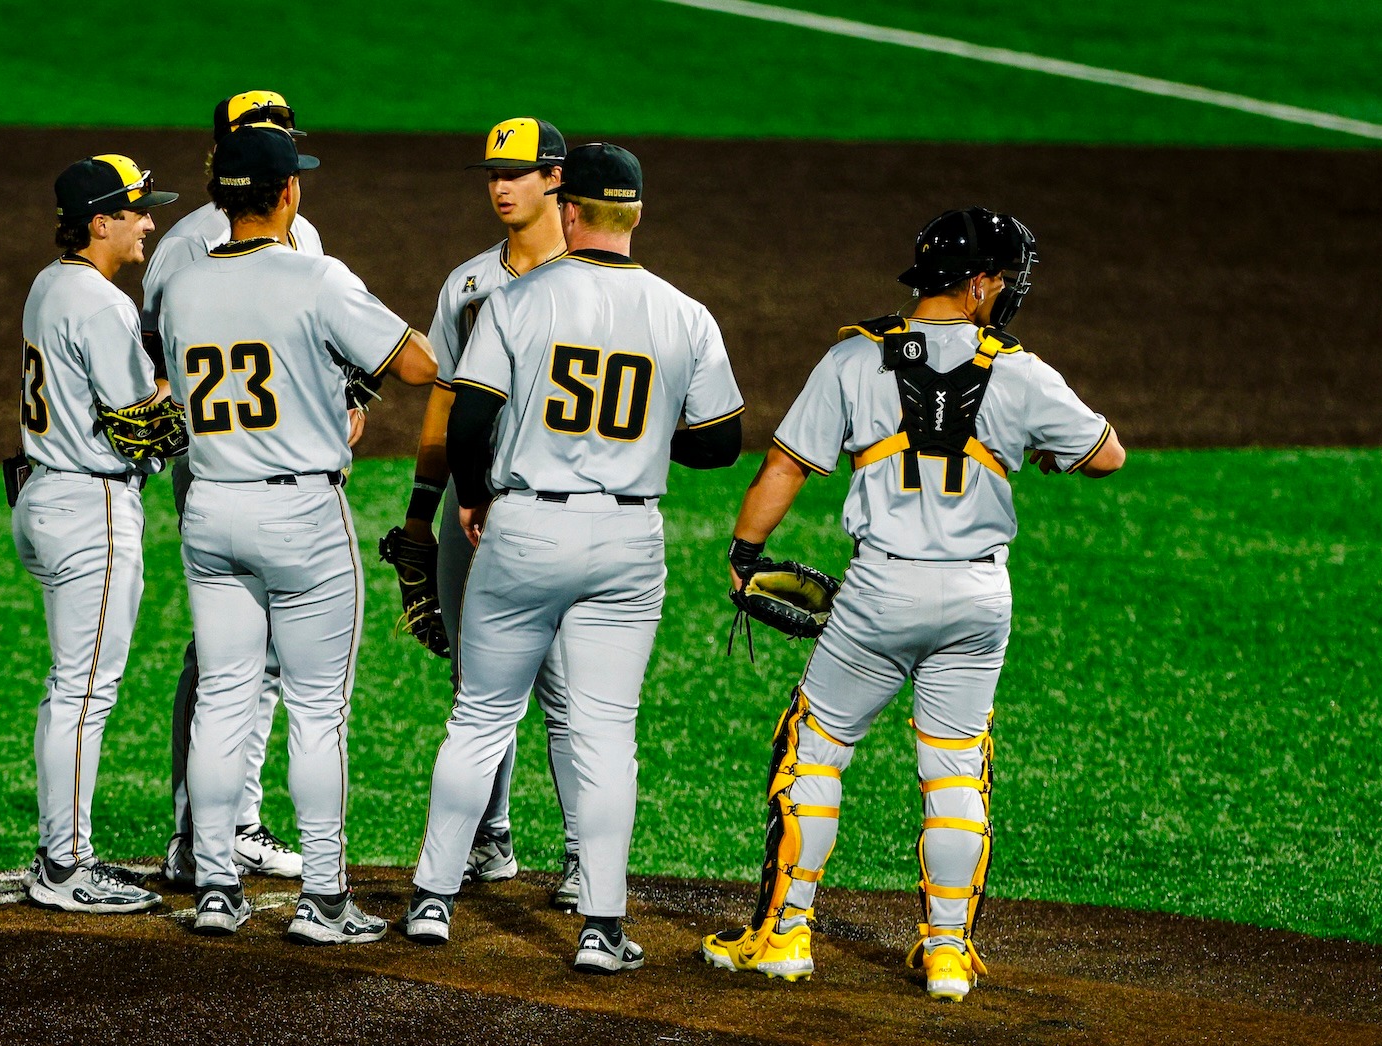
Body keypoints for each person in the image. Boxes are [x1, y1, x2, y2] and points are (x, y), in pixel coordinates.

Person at [699, 208, 1125, 1000]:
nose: (1007, 291)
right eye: (1002, 278)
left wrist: (745, 554)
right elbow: (1107, 454)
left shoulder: (852, 360)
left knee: (815, 750)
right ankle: (947, 952)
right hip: (977, 594)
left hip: (882, 592)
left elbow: (786, 468)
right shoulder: (1022, 372)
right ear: (976, 285)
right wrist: (1034, 447)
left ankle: (786, 934)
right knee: (955, 767)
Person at [402, 144, 744, 973]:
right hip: (628, 540)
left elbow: (471, 421)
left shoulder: (518, 300)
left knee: (481, 716)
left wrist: (475, 497)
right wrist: (644, 436)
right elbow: (722, 444)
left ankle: (431, 903)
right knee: (604, 733)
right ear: (637, 213)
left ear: (572, 209)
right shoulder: (683, 312)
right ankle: (599, 926)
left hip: (524, 527)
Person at [157, 125, 437, 942]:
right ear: (286, 194)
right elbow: (415, 366)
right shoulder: (318, 276)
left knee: (223, 699)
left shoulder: (182, 287)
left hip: (211, 511)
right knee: (318, 710)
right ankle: (322, 898)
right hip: (299, 515)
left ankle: (214, 885)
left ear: (221, 197)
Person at [391, 117, 583, 907]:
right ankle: (489, 840)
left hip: (565, 511)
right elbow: (442, 400)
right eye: (492, 174)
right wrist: (420, 511)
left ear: (556, 180)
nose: (501, 187)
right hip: (476, 512)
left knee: (570, 695)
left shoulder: (594, 278)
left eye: (519, 173)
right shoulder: (468, 284)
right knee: (478, 687)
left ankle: (580, 859)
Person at [145, 92, 327, 888]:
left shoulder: (304, 233)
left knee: (269, 660)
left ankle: (231, 828)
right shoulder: (187, 246)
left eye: (283, 137)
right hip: (226, 469)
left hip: (289, 467)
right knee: (227, 657)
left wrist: (344, 401)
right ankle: (202, 831)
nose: (278, 152)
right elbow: (157, 369)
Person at [14, 155, 182, 913]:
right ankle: (65, 864)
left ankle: (60, 853)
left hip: (45, 498)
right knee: (85, 691)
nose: (150, 221)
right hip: (92, 508)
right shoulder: (102, 305)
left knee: (69, 690)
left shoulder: (50, 286)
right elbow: (142, 425)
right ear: (99, 222)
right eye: (137, 210)